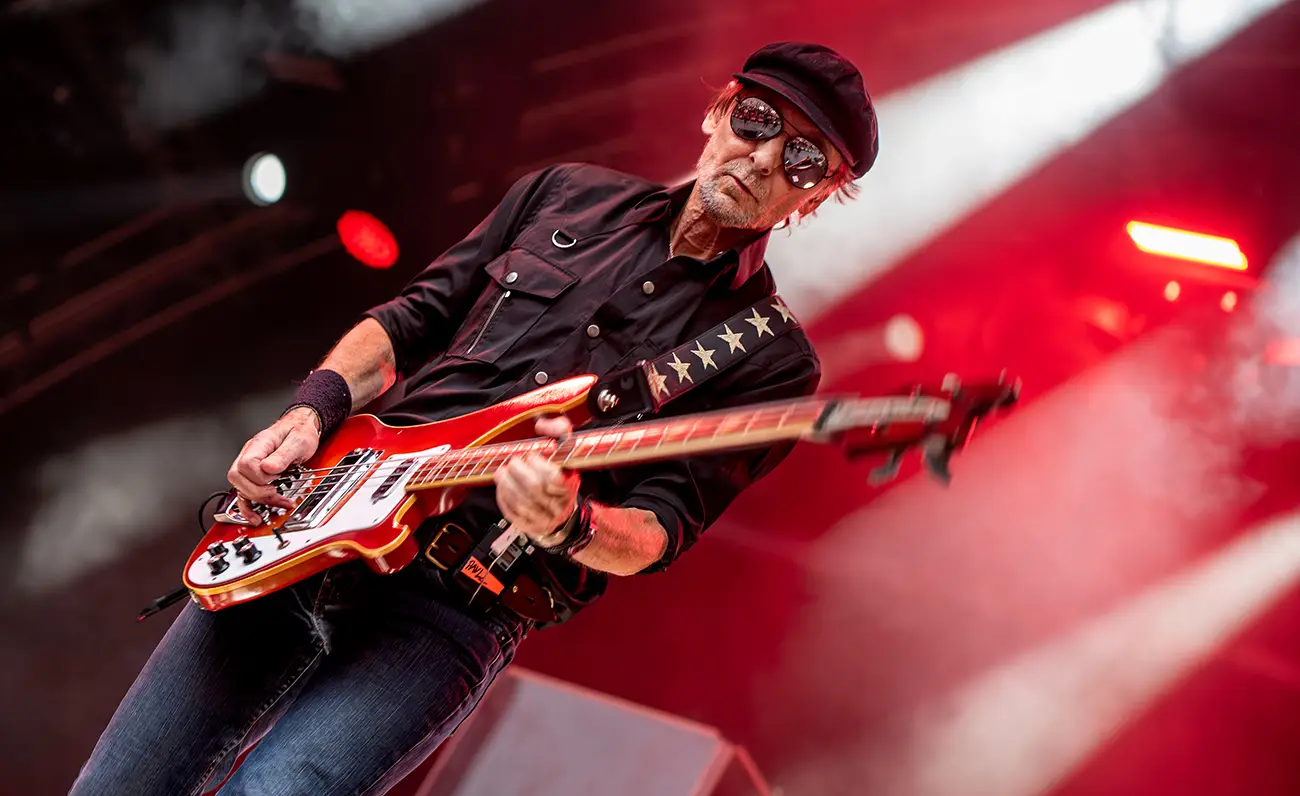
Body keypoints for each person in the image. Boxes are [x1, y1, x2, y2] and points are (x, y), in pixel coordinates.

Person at [70, 41, 879, 796]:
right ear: (719, 111)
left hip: (454, 606)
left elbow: (660, 531)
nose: (765, 158)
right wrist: (311, 412)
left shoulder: (768, 358)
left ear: (813, 198)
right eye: (759, 122)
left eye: (803, 160)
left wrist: (571, 523)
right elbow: (409, 322)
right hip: (310, 520)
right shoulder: (564, 193)